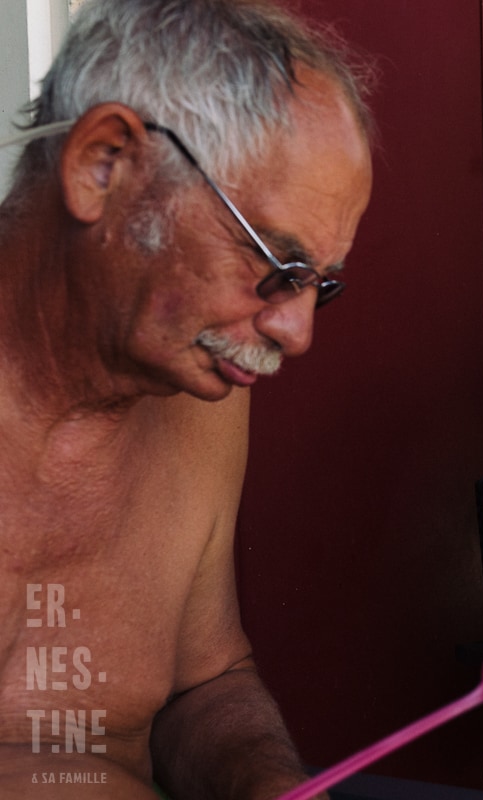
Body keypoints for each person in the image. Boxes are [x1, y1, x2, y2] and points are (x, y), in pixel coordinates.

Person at [0, 0, 372, 797]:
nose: (297, 332)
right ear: (104, 164)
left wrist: (263, 779)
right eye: (276, 262)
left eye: (318, 286)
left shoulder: (199, 400)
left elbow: (203, 684)